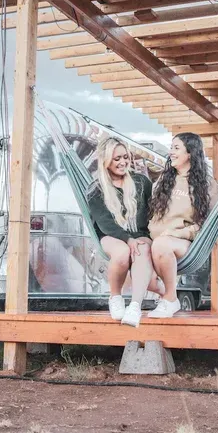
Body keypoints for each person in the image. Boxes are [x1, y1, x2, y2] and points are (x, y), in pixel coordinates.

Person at [87, 136, 165, 327]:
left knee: (143, 251)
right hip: (110, 236)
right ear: (106, 161)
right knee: (122, 253)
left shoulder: (142, 182)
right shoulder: (96, 189)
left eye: (125, 157)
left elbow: (151, 214)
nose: (123, 162)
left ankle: (135, 306)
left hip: (140, 235)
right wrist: (127, 239)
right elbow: (105, 223)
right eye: (116, 159)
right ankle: (115, 297)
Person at [148, 132, 218, 318]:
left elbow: (208, 224)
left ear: (190, 153)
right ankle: (165, 296)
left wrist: (181, 233)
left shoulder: (206, 185)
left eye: (176, 148)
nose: (170, 152)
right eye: (171, 148)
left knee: (161, 245)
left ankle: (170, 299)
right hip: (155, 241)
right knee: (133, 259)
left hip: (183, 244)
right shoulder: (163, 181)